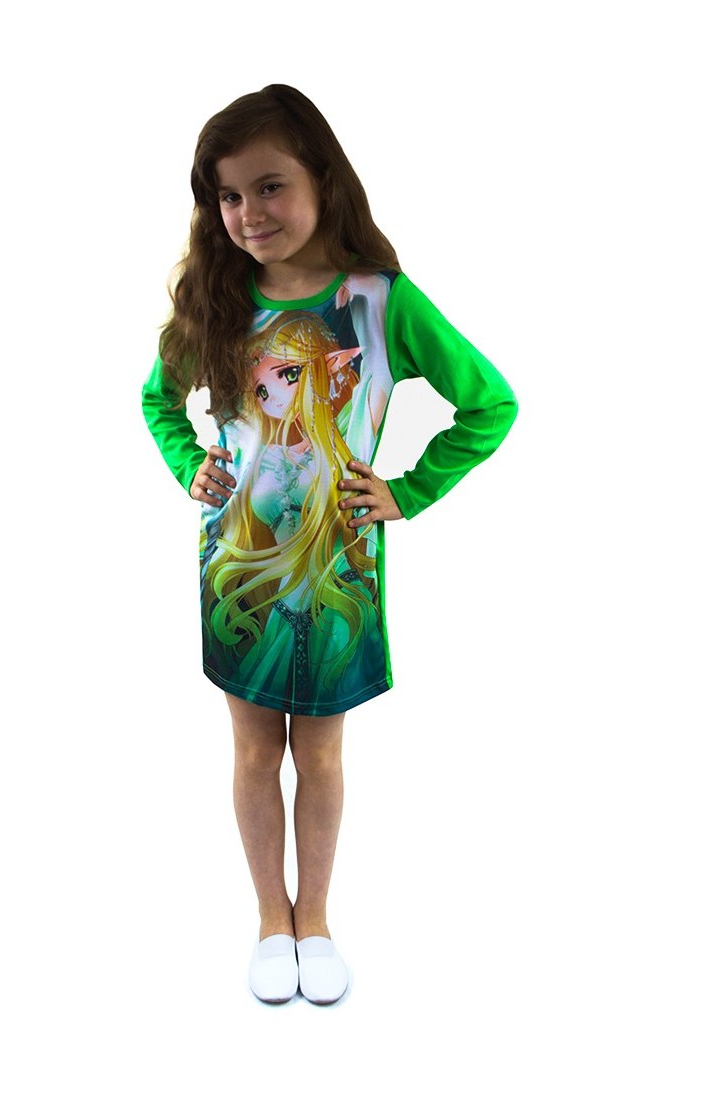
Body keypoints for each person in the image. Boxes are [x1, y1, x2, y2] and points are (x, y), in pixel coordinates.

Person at [142, 84, 517, 1005]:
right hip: (236, 569)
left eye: (269, 186)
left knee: (319, 755)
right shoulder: (214, 298)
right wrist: (190, 465)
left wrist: (408, 492)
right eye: (229, 196)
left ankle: (315, 919)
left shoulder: (381, 302)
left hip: (337, 570)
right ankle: (270, 920)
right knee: (250, 752)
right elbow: (159, 401)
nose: (247, 214)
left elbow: (491, 404)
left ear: (324, 178)